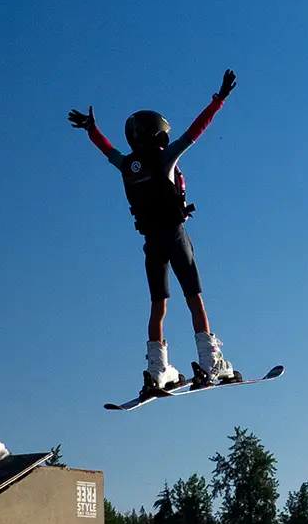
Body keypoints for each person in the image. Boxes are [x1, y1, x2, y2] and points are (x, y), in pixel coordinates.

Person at [69, 68, 240, 395]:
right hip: (175, 236)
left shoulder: (127, 165)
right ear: (157, 134)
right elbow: (196, 130)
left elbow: (107, 150)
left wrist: (92, 129)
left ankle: (157, 368)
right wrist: (219, 99)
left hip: (151, 243)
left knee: (157, 306)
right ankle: (209, 362)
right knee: (195, 299)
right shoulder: (166, 160)